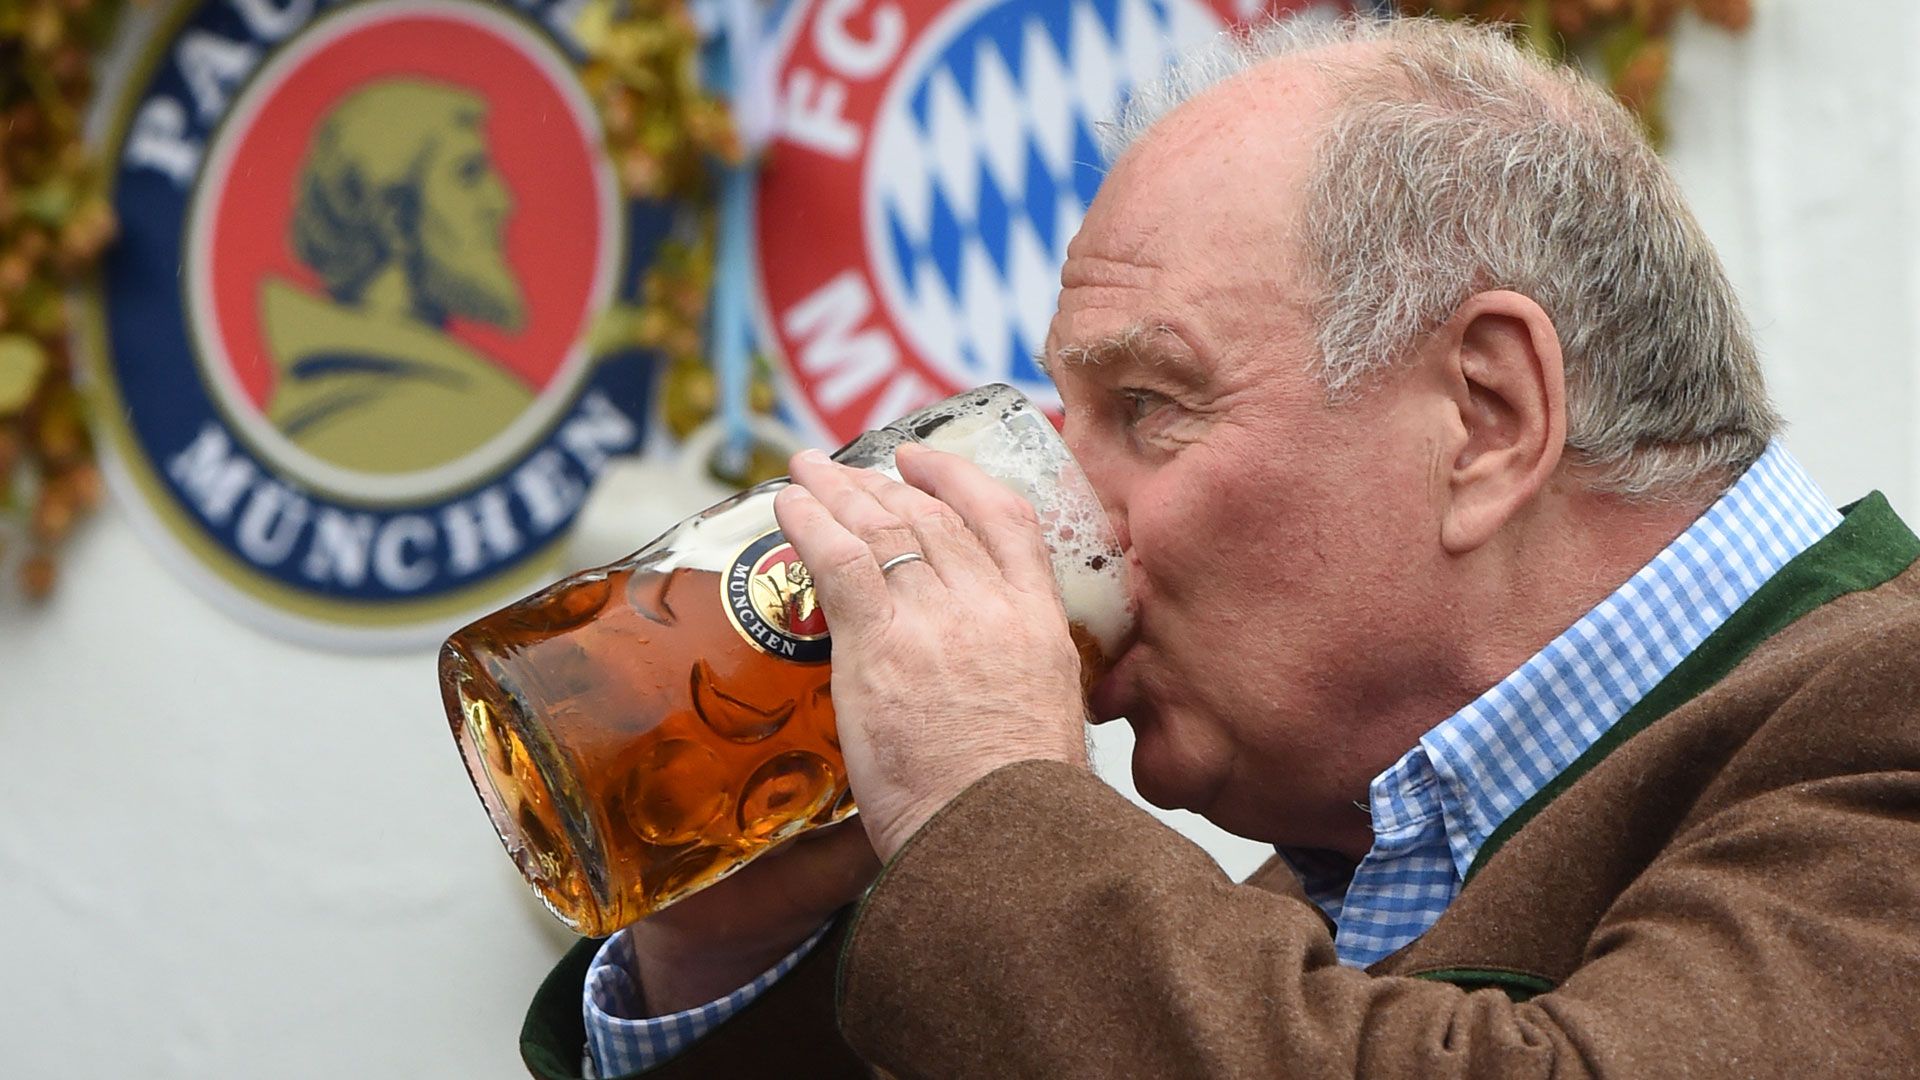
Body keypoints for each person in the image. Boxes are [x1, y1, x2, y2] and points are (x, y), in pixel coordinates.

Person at [520, 14, 1920, 1078]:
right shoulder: (1316, 894)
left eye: (1150, 406)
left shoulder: (1886, 719)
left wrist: (988, 812)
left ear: (1487, 418)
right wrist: (732, 938)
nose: (1067, 512)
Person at [263, 80, 533, 474]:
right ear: (393, 217)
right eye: (469, 174)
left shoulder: (321, 400)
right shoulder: (408, 412)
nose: (502, 201)